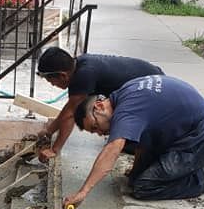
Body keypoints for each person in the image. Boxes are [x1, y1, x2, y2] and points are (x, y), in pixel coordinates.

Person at [62, 74, 204, 209]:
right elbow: (143, 141)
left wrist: (83, 192)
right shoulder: (125, 94)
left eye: (95, 126)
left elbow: (112, 149)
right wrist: (135, 172)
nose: (100, 133)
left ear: (98, 106)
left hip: (196, 137)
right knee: (135, 179)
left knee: (144, 186)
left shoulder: (125, 112)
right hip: (189, 129)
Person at [35, 47, 164, 161]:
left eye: (51, 81)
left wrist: (54, 150)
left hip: (155, 92)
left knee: (127, 143)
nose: (52, 85)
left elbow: (70, 114)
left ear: (63, 76)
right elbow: (70, 108)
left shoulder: (83, 76)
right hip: (154, 79)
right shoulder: (81, 64)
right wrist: (49, 131)